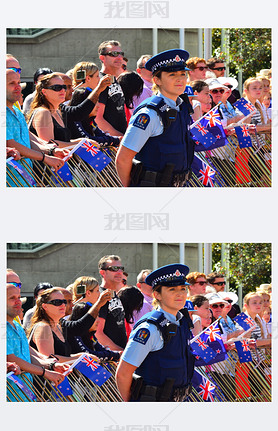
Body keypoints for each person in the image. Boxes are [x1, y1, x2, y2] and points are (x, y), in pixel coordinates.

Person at [115, 48, 196, 187]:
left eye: (183, 74)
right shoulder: (149, 114)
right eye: (172, 74)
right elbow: (123, 159)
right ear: (156, 80)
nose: (180, 79)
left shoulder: (182, 107)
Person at [115, 263, 195, 402]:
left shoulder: (182, 322)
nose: (180, 294)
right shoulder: (150, 328)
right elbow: (123, 374)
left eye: (183, 288)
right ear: (157, 294)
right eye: (172, 289)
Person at [7, 284, 68, 401]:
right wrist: (45, 372)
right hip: (9, 394)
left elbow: (28, 353)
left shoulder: (18, 327)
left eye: (19, 297)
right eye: (12, 298)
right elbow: (11, 358)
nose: (18, 302)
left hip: (25, 392)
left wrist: (51, 365)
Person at [6, 70, 66, 186]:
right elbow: (10, 143)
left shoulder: (17, 111)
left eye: (19, 82)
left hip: (25, 178)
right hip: (9, 180)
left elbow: (28, 138)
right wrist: (45, 158)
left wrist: (50, 150)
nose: (18, 87)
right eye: (12, 83)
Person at [95, 255, 127, 351]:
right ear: (102, 272)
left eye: (121, 268)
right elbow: (98, 333)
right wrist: (121, 352)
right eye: (114, 268)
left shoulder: (114, 294)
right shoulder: (100, 295)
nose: (119, 272)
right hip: (109, 356)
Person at [96, 40, 127, 136]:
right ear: (102, 58)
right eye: (114, 54)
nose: (119, 57)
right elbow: (98, 118)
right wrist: (121, 138)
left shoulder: (114, 79)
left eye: (121, 54)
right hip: (110, 142)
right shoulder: (100, 81)